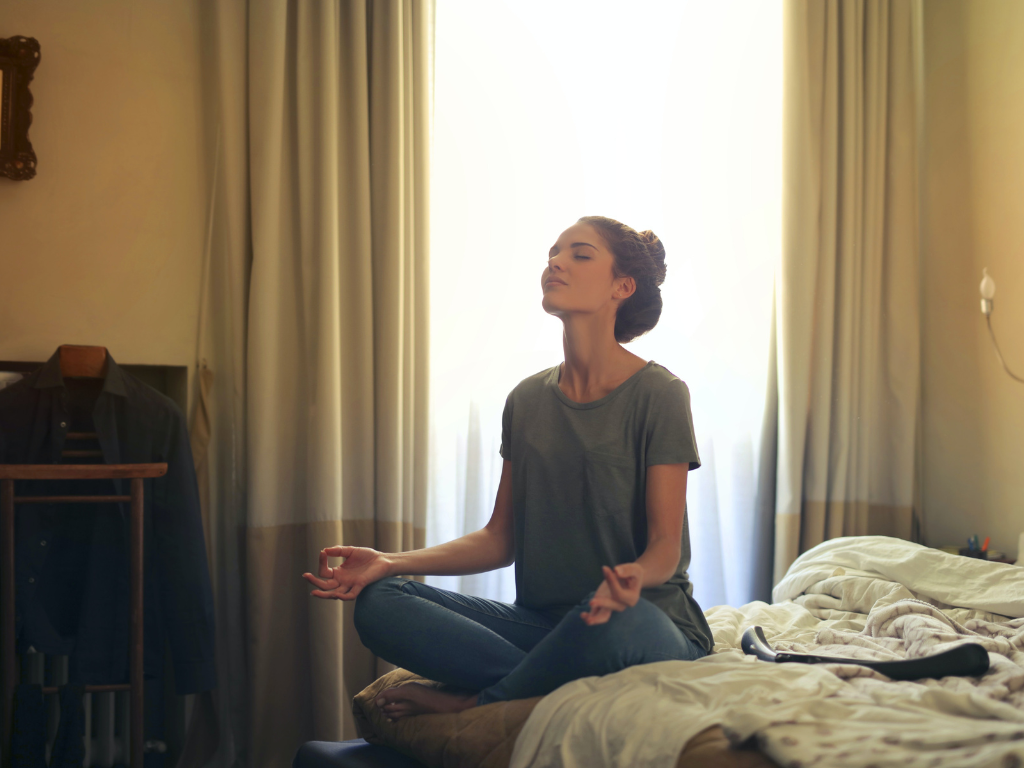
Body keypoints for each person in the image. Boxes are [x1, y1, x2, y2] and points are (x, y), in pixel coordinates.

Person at [302, 215, 714, 720]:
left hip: (641, 620)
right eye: (552, 254)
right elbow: (500, 540)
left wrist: (632, 575)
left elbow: (665, 548)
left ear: (621, 287)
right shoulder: (525, 400)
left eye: (579, 254)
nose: (555, 263)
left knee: (613, 624)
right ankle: (544, 679)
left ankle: (481, 700)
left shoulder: (661, 395)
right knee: (382, 602)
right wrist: (391, 561)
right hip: (542, 625)